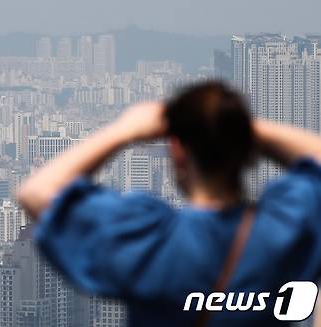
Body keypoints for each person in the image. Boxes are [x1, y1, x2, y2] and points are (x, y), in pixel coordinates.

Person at [17, 81, 321, 326]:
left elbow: (37, 192)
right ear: (244, 149)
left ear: (177, 152)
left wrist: (124, 130)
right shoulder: (283, 230)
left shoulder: (149, 239)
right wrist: (239, 127)